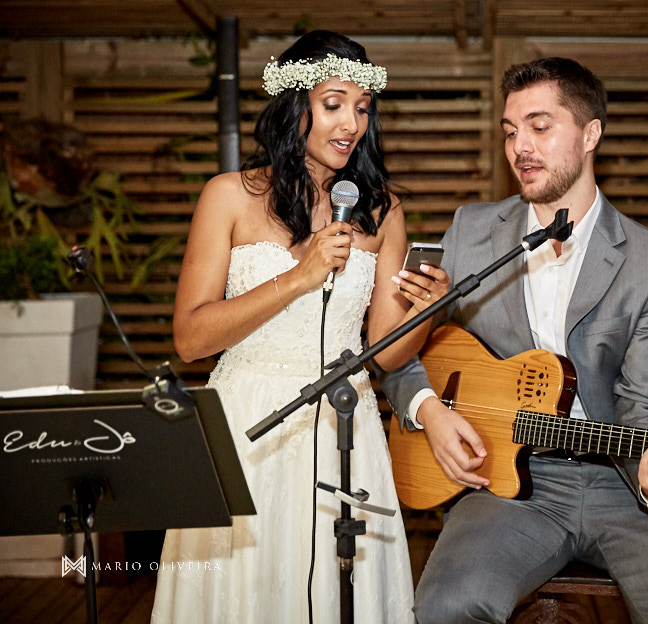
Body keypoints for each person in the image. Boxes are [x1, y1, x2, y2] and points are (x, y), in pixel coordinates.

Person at [378, 57, 648, 623]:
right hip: (508, 488)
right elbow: (396, 352)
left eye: (540, 127)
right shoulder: (472, 232)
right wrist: (428, 411)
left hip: (624, 488)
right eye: (511, 130)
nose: (521, 146)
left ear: (590, 133)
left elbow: (646, 404)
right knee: (447, 607)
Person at [150, 30, 448, 624]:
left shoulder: (382, 209)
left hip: (346, 423)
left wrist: (426, 309)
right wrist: (300, 274)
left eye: (363, 108)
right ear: (294, 106)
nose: (351, 124)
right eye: (334, 103)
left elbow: (388, 355)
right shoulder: (229, 197)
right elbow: (190, 339)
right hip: (248, 424)